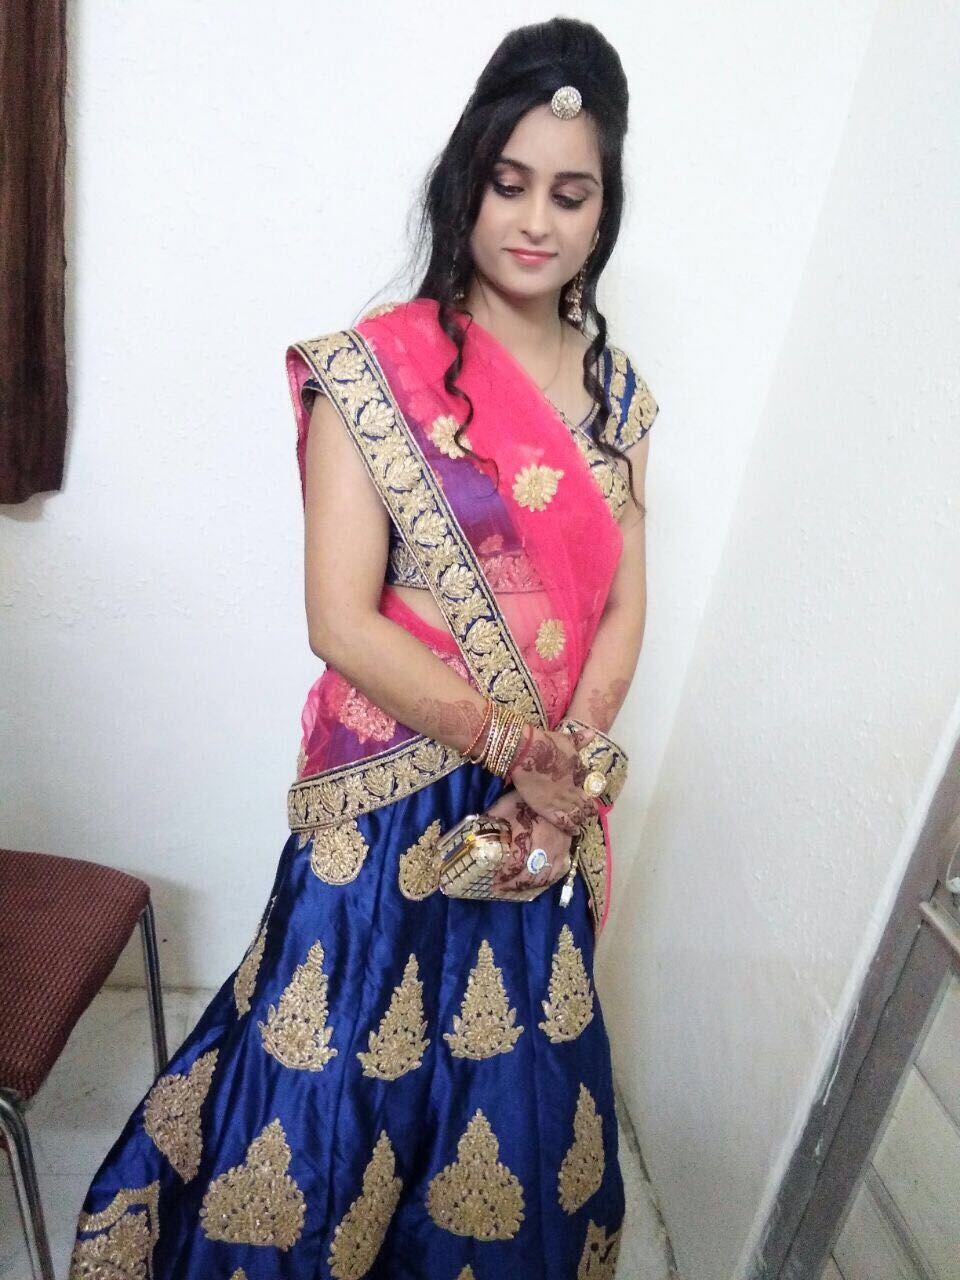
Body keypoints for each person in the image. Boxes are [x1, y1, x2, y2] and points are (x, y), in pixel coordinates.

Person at [68, 16, 658, 1279]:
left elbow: (622, 600)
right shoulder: (375, 371)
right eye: (509, 182)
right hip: (387, 798)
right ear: (467, 177)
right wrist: (511, 743)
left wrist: (565, 765)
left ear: (605, 210)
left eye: (570, 194)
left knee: (514, 1110)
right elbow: (339, 617)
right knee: (328, 1103)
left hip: (536, 811)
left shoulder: (619, 401)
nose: (535, 221)